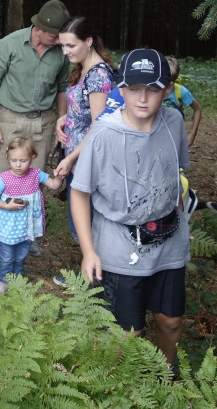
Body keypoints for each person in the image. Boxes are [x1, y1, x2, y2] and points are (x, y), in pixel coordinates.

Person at [70, 49, 189, 372]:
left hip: (169, 239)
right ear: (121, 89)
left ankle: (166, 376)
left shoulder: (174, 122)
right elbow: (79, 193)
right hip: (121, 244)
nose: (143, 98)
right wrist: (88, 251)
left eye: (152, 89)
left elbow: (175, 171)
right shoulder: (104, 135)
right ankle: (124, 385)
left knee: (170, 320)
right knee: (127, 333)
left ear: (166, 90)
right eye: (135, 89)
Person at [0, 0, 70, 177]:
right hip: (9, 121)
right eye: (54, 37)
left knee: (35, 181)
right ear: (38, 29)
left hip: (43, 123)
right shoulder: (9, 44)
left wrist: (62, 122)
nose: (59, 41)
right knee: (0, 179)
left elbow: (62, 89)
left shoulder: (63, 51)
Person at [51, 17, 116, 244]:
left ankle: (94, 275)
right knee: (80, 219)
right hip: (77, 157)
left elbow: (100, 125)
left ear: (88, 41)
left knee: (87, 223)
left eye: (71, 45)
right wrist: (65, 118)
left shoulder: (98, 75)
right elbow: (86, 111)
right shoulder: (84, 69)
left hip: (88, 160)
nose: (65, 51)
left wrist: (71, 159)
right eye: (62, 45)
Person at [0, 137, 62, 292]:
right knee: (7, 257)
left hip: (27, 225)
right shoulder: (4, 178)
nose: (18, 165)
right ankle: (3, 281)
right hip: (9, 226)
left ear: (32, 158)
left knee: (21, 255)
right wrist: (6, 206)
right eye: (13, 160)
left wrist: (60, 176)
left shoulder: (37, 175)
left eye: (23, 160)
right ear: (8, 158)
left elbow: (54, 185)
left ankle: (18, 280)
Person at [164, 56, 202, 147]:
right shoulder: (152, 90)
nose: (170, 84)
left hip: (175, 134)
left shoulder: (181, 91)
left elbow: (198, 109)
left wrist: (193, 134)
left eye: (173, 80)